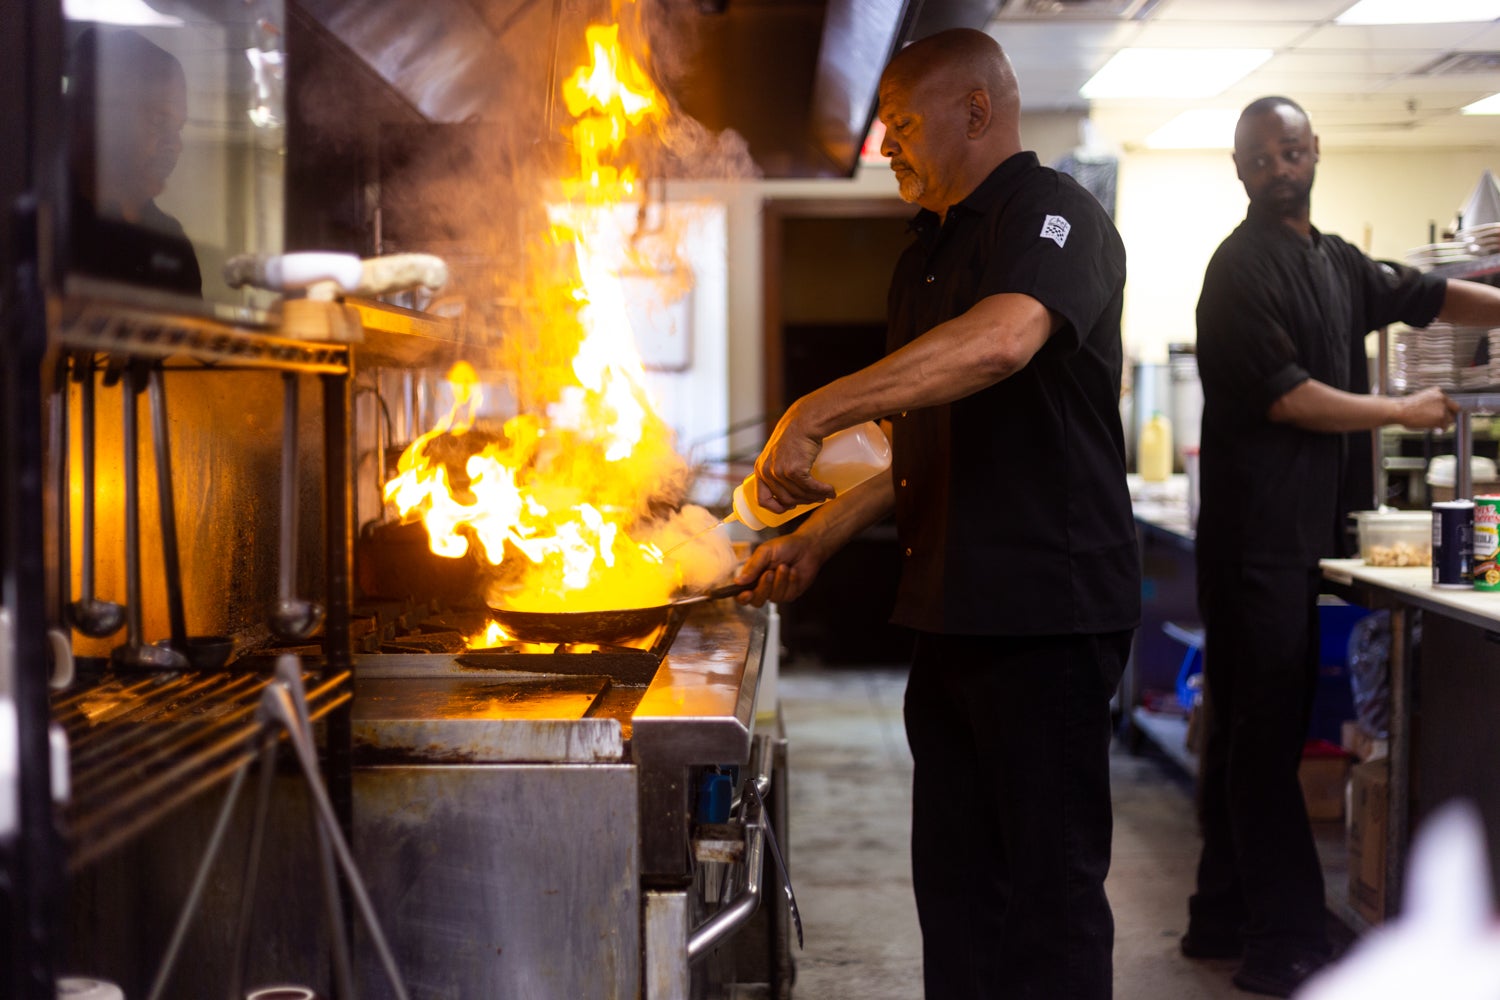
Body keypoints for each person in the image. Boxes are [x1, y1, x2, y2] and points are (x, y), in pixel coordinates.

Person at [735, 28, 1140, 999]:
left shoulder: (1055, 215)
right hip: (950, 612)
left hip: (1048, 614)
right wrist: (823, 532)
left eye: (903, 124)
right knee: (957, 890)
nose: (888, 147)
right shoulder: (928, 254)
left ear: (977, 109)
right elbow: (935, 439)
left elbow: (1002, 343)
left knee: (1048, 891)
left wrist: (816, 407)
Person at [1187, 95, 1500, 998]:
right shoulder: (1238, 271)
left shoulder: (1335, 264)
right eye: (1264, 156)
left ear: (1314, 150)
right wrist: (1404, 411)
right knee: (1260, 741)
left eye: (1294, 148)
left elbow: (1431, 295)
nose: (1283, 165)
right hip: (1255, 542)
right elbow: (1290, 398)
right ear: (1242, 169)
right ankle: (1281, 942)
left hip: (1306, 538)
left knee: (1248, 732)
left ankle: (1221, 912)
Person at [67, 27, 202, 296]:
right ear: (100, 116)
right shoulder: (51, 224)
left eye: (178, 128)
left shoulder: (172, 244)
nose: (174, 145)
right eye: (159, 121)